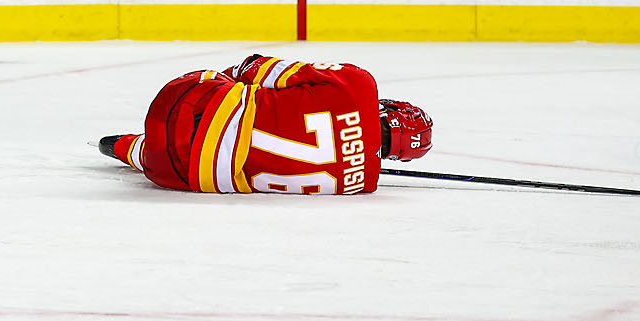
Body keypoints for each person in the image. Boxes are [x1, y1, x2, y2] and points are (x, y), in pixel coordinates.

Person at [98, 54, 432, 195]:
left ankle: (122, 143)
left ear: (389, 109)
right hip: (177, 173)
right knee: (171, 153)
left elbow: (254, 67)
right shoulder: (362, 185)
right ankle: (134, 148)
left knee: (228, 89)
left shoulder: (359, 86)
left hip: (182, 101)